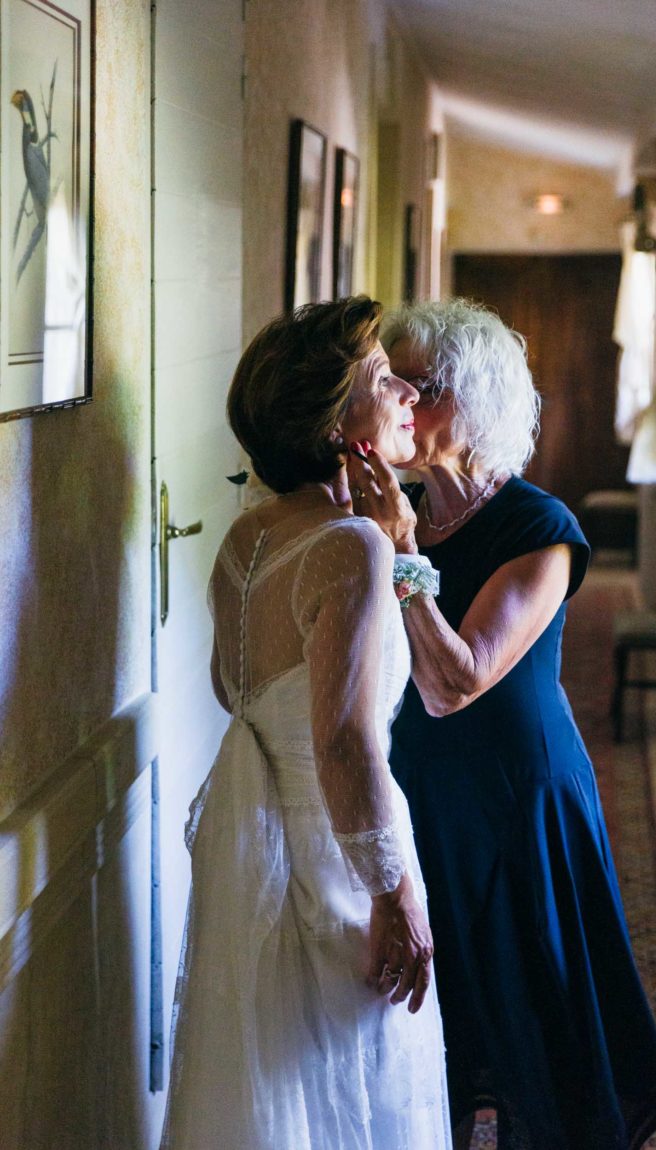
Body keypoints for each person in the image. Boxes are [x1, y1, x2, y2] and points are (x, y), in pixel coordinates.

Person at [346, 297, 656, 1150]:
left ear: (475, 401)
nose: (404, 405)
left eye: (420, 387)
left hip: (517, 800)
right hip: (424, 795)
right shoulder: (388, 509)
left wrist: (403, 552)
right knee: (436, 1033)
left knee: (541, 1030)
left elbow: (455, 683)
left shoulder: (540, 528)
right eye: (397, 386)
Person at [161, 296, 451, 1150]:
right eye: (381, 377)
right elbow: (344, 743)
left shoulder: (245, 541)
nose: (406, 390)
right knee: (353, 1100)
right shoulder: (349, 544)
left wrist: (398, 544)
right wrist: (394, 896)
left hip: (259, 860)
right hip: (339, 870)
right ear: (339, 421)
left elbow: (240, 698)